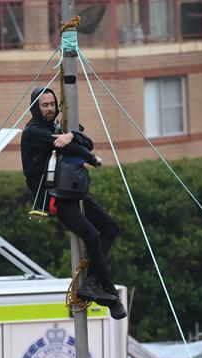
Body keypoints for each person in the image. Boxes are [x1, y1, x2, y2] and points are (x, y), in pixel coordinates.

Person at [20, 87, 127, 320]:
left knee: (110, 228)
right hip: (54, 195)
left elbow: (84, 141)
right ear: (35, 109)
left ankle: (90, 283)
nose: (50, 109)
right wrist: (88, 157)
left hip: (70, 188)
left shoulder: (57, 128)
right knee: (92, 236)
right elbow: (70, 147)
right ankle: (109, 295)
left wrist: (71, 135)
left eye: (52, 104)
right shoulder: (34, 131)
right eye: (44, 105)